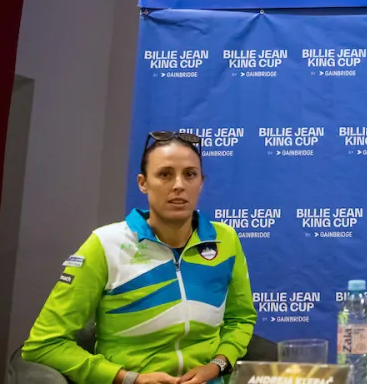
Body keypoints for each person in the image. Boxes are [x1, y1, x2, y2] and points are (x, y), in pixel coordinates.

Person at [22, 131, 257, 384]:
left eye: (190, 174)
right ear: (143, 183)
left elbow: (240, 319)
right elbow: (44, 344)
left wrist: (217, 365)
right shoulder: (105, 244)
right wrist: (129, 378)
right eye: (165, 174)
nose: (179, 185)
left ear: (201, 182)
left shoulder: (226, 240)